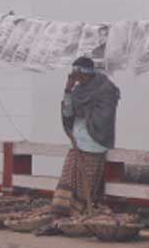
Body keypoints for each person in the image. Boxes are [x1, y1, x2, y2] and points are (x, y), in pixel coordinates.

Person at [51, 58, 120, 216]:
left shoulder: (106, 89)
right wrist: (67, 90)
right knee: (67, 181)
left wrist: (85, 113)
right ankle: (63, 214)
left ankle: (81, 216)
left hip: (94, 144)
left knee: (85, 186)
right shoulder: (77, 91)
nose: (76, 78)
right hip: (76, 143)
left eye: (78, 74)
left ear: (86, 73)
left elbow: (105, 117)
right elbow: (68, 112)